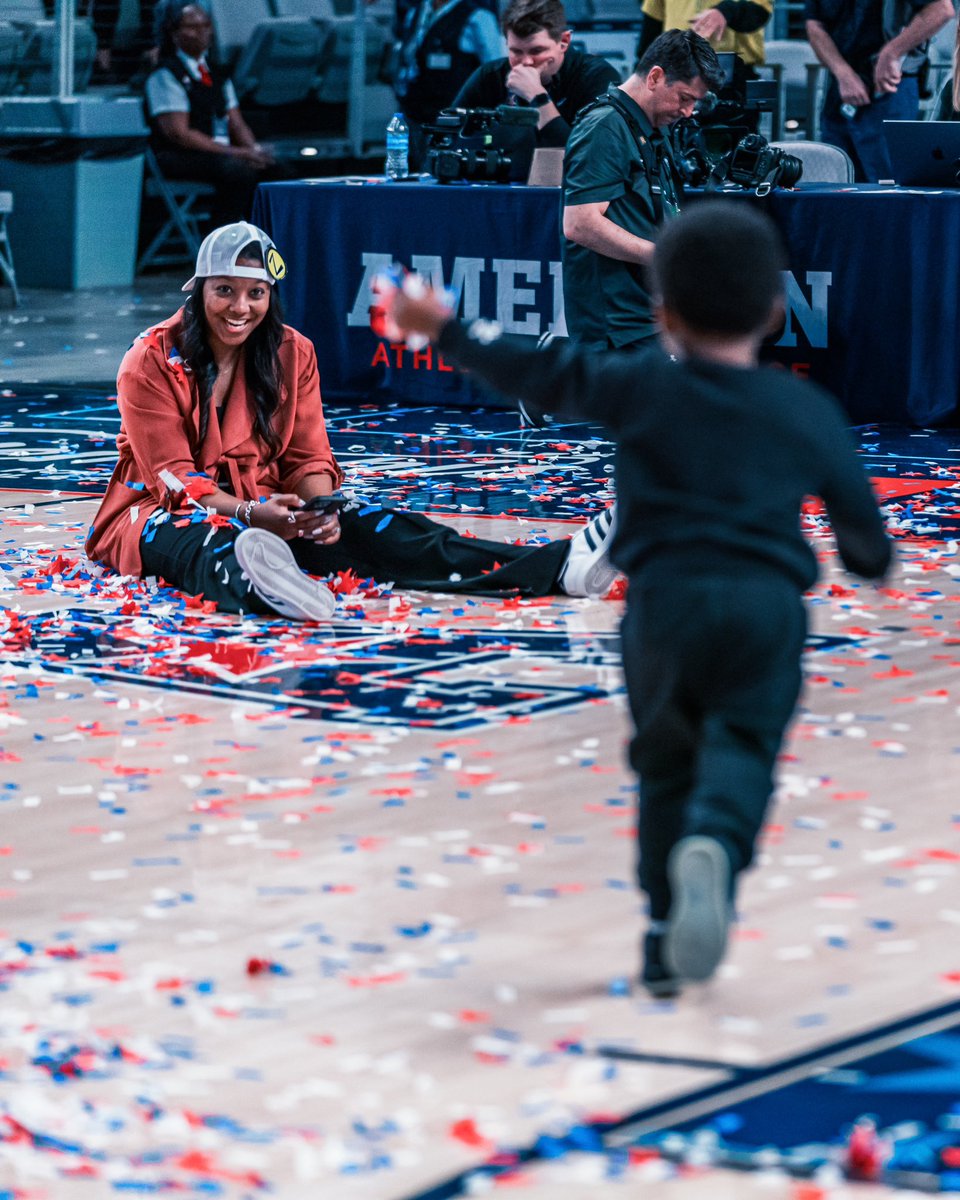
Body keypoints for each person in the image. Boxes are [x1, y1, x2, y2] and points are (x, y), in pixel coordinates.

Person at [380, 200, 892, 997]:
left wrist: (446, 328)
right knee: (742, 748)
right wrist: (869, 559)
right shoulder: (807, 411)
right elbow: (865, 544)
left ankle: (660, 935)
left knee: (665, 764)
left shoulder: (642, 385)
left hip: (662, 610)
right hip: (762, 612)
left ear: (661, 313)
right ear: (772, 309)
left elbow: (543, 372)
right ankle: (716, 846)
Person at [85, 222, 619, 623]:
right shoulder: (150, 360)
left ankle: (558, 567)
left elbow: (308, 456)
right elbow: (176, 481)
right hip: (157, 511)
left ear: (271, 298)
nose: (239, 307)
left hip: (273, 509)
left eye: (255, 293)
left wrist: (321, 510)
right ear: (198, 291)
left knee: (392, 532)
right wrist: (250, 512)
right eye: (223, 290)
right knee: (206, 544)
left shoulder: (294, 352)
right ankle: (275, 584)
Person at [561, 29, 724, 351]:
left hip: (648, 315)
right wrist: (663, 256)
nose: (688, 112)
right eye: (685, 98)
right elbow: (579, 224)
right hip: (617, 326)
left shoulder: (649, 128)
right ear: (655, 76)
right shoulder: (604, 126)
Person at [144, 2, 276, 225]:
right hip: (179, 155)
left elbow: (237, 123)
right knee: (238, 172)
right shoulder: (165, 76)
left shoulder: (218, 74)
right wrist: (238, 153)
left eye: (205, 25)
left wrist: (253, 150)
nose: (201, 32)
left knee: (275, 169)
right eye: (192, 26)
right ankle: (223, 239)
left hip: (221, 151)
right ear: (174, 34)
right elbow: (179, 134)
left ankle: (271, 238)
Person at [805, 0, 953, 182]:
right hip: (840, 89)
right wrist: (843, 73)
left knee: (890, 186)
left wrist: (891, 53)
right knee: (836, 184)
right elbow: (814, 24)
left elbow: (941, 9)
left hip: (889, 87)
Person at [452, 0, 620, 149]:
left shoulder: (597, 77)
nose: (526, 62)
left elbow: (587, 158)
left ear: (564, 42)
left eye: (537, 51)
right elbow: (447, 135)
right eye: (516, 51)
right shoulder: (490, 76)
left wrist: (537, 96)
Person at [394, 0, 505, 169]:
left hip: (454, 123)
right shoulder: (415, 14)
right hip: (415, 116)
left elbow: (496, 71)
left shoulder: (478, 18)